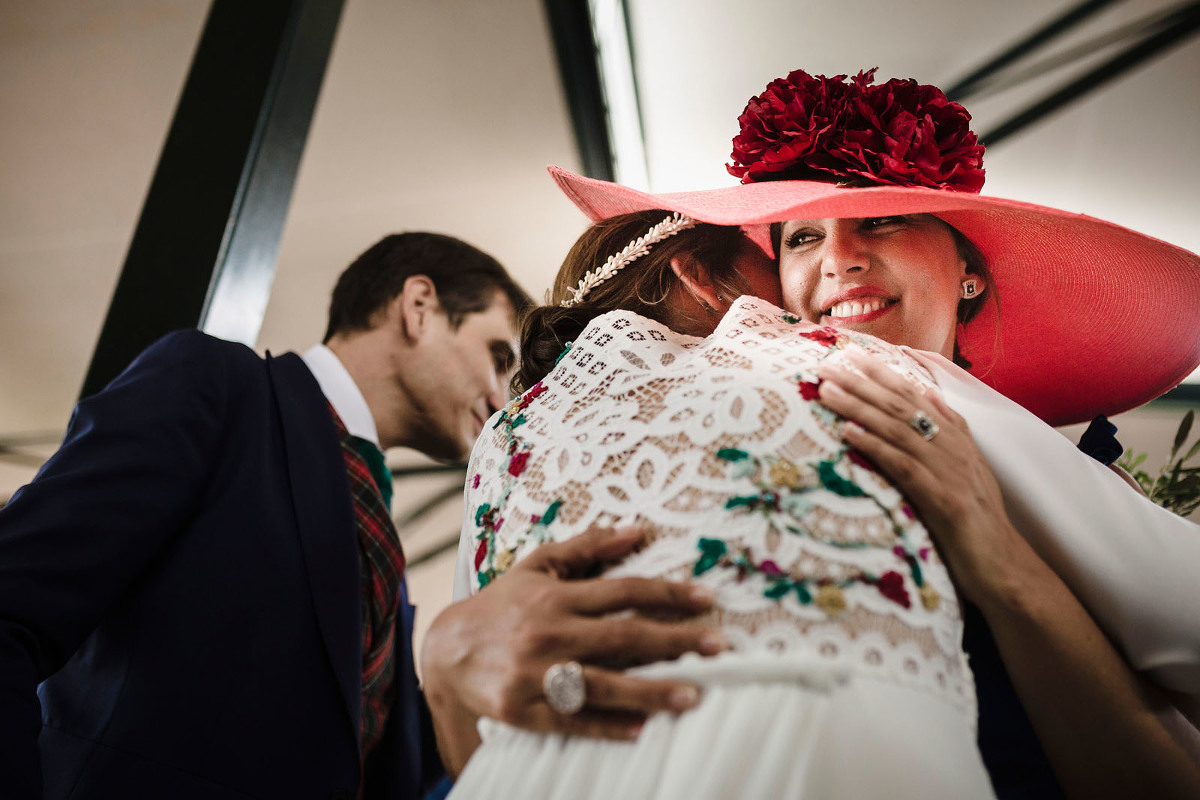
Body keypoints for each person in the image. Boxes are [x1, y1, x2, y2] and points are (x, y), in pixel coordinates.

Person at [446, 69, 1200, 799]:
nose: (839, 258)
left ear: (969, 268)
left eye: (882, 219)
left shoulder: (511, 447)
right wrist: (448, 662)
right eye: (799, 239)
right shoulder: (829, 378)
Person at [0, 231, 719, 800]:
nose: (507, 400)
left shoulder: (388, 545)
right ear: (419, 306)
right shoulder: (214, 386)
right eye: (499, 357)